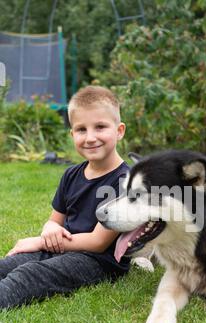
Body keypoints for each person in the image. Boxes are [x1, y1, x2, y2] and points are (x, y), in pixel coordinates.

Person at [0, 85, 131, 309]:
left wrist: (38, 242)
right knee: (9, 264)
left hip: (98, 260)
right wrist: (49, 230)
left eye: (100, 127)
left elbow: (98, 243)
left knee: (30, 273)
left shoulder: (126, 182)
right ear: (72, 134)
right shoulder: (71, 174)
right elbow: (55, 220)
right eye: (81, 130)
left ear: (119, 130)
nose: (90, 138)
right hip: (63, 247)